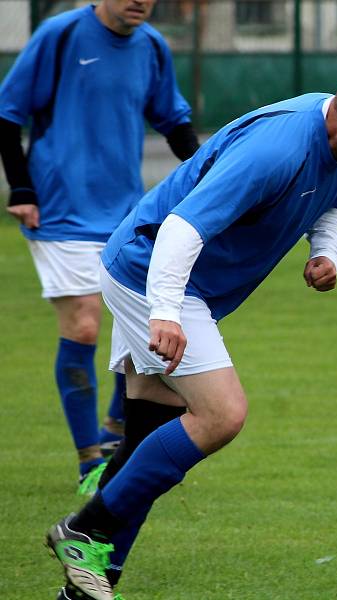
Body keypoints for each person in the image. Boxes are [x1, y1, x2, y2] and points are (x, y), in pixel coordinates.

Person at [45, 64, 337, 600]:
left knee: (147, 442)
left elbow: (336, 199)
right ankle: (85, 530)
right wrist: (167, 314)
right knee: (222, 413)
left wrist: (325, 252)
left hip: (175, 282)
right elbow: (183, 225)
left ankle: (88, 587)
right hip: (149, 269)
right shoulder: (277, 150)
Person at [0, 0, 199, 496]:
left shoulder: (152, 45)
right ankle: (89, 458)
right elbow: (8, 115)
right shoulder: (61, 35)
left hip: (126, 216)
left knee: (136, 332)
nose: (142, 1)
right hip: (60, 210)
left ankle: (115, 440)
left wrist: (213, 177)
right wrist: (21, 190)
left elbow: (173, 122)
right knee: (86, 324)